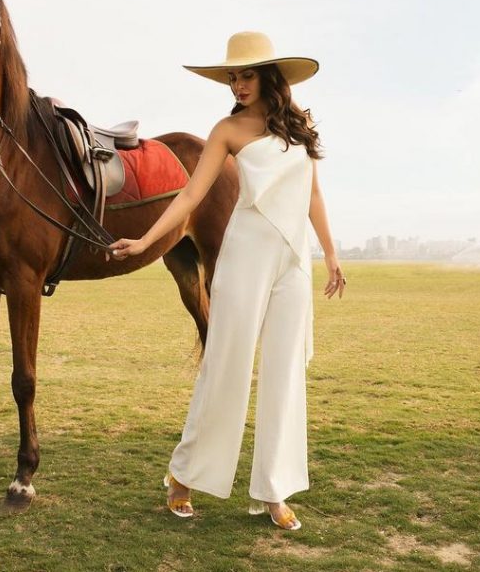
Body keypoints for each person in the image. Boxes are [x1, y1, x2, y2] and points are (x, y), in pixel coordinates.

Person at [106, 31, 345, 531]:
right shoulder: (226, 131)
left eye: (246, 74)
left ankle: (273, 492)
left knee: (284, 375)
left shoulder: (298, 129)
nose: (237, 83)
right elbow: (191, 196)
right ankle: (184, 477)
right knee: (226, 367)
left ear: (269, 76)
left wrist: (331, 254)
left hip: (292, 262)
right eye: (232, 76)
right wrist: (146, 240)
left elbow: (315, 196)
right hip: (244, 257)